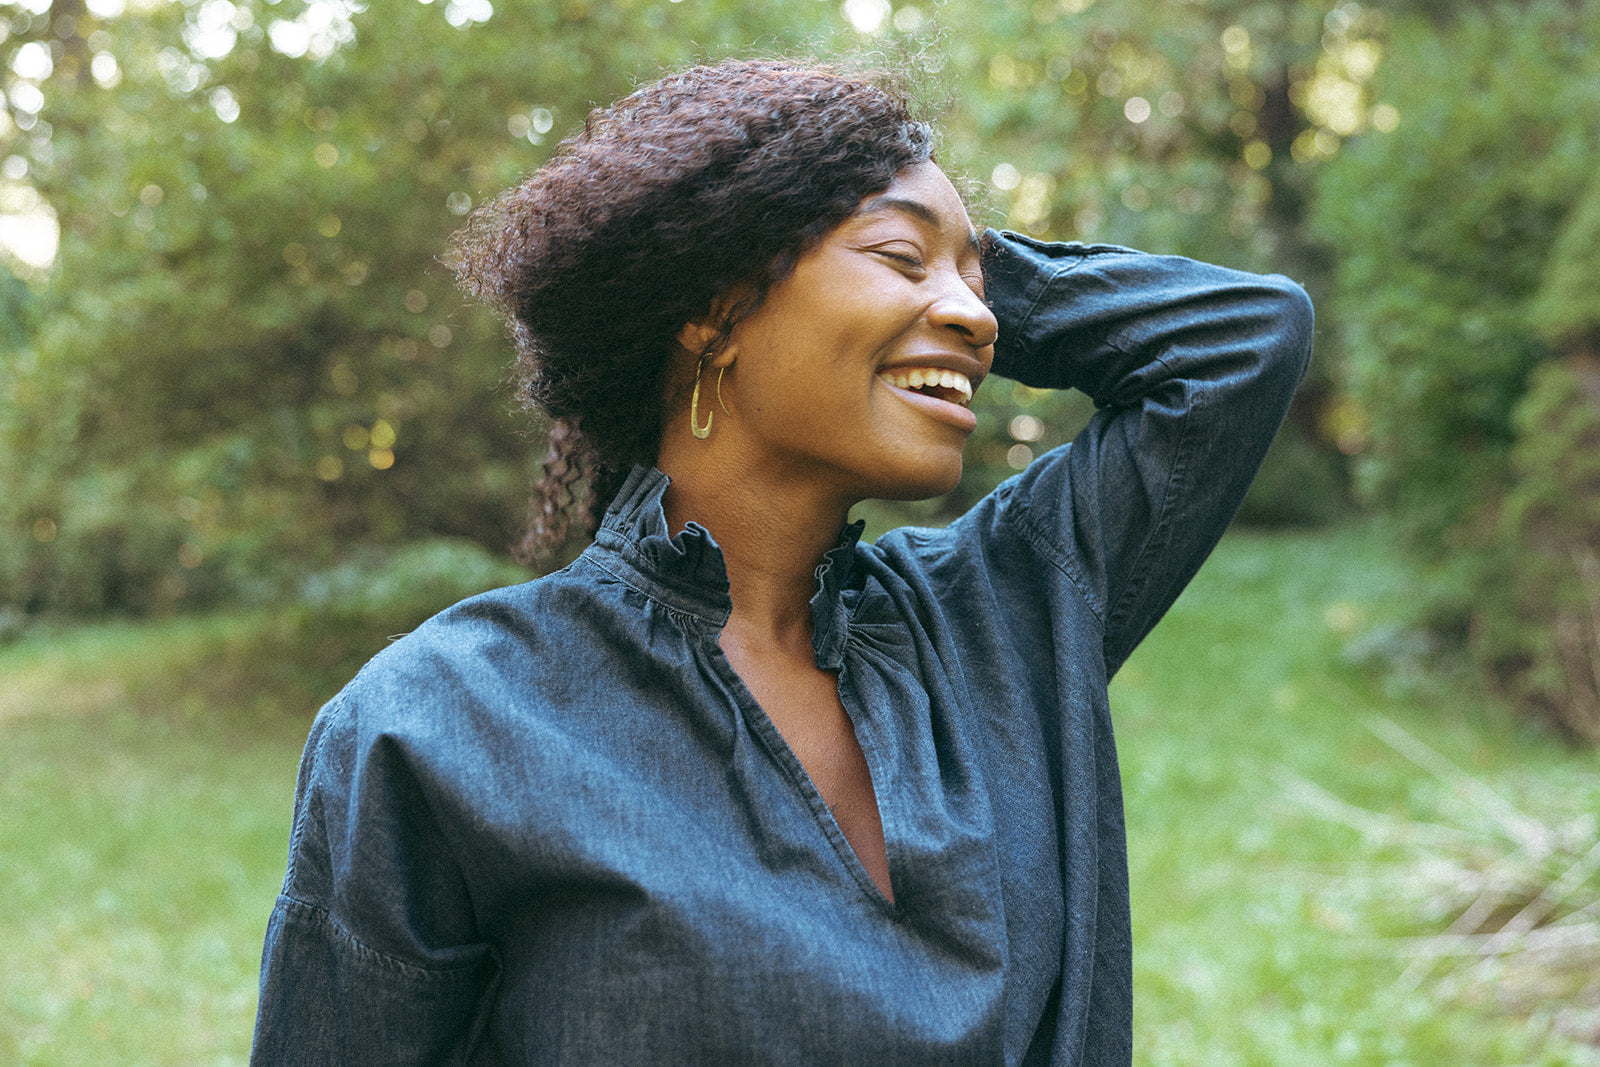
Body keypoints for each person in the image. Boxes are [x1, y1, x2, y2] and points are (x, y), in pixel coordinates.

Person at [250, 58, 1313, 1065]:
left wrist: (946, 266)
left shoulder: (999, 615)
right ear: (714, 307)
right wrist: (722, 238)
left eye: (977, 280)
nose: (977, 317)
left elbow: (1240, 340)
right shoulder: (447, 720)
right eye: (898, 256)